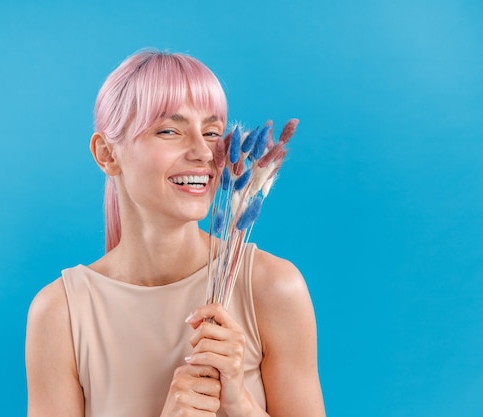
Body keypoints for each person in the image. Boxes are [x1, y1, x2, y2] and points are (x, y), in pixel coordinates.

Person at [25, 49, 325, 417]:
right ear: (107, 154)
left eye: (212, 132)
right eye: (169, 130)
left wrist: (239, 404)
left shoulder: (271, 287)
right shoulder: (60, 314)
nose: (202, 152)